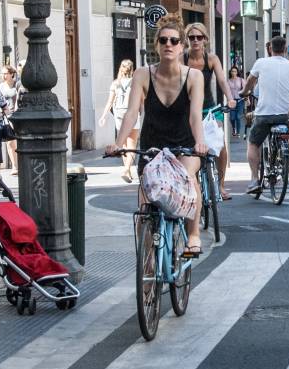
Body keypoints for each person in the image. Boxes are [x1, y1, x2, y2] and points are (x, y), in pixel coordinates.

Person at [105, 18, 207, 256]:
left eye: (174, 41)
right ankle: (148, 261)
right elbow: (131, 113)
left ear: (182, 46)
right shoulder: (142, 74)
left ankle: (193, 235)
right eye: (163, 40)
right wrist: (118, 144)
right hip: (152, 146)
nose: (168, 45)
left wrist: (200, 142)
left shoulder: (193, 77)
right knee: (144, 207)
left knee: (189, 179)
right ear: (157, 46)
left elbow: (195, 115)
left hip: (184, 145)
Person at [242, 35, 289, 194]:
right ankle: (286, 152)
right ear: (285, 48)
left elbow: (250, 81)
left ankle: (254, 179)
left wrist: (244, 92)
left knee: (253, 143)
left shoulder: (261, 63)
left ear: (270, 48)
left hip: (264, 114)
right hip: (285, 115)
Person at [184, 22, 236, 199]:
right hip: (188, 110)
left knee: (220, 145)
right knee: (191, 148)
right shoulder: (182, 59)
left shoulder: (211, 59)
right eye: (192, 38)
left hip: (210, 109)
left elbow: (222, 80)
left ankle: (220, 185)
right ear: (187, 40)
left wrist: (229, 98)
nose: (196, 41)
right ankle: (195, 184)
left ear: (205, 39)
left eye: (199, 37)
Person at [103, 59, 141, 183]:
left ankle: (128, 171)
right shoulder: (136, 83)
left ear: (120, 68)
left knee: (123, 145)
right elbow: (141, 102)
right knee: (132, 145)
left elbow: (110, 101)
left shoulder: (115, 83)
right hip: (132, 115)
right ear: (132, 69)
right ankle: (126, 170)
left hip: (119, 116)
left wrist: (103, 116)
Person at [0, 65, 20, 174]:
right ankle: (15, 167)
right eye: (2, 73)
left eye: (5, 73)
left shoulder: (17, 84)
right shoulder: (1, 86)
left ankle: (21, 164)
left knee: (20, 141)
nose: (3, 75)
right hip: (6, 116)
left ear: (12, 74)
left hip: (18, 116)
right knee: (10, 142)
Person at [227, 66, 245, 138]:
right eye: (232, 71)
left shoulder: (241, 80)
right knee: (232, 117)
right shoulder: (228, 81)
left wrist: (248, 100)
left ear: (237, 72)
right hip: (232, 101)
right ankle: (234, 128)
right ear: (230, 72)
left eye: (235, 71)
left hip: (240, 100)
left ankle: (237, 132)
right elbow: (227, 90)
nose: (233, 73)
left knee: (238, 117)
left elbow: (245, 90)